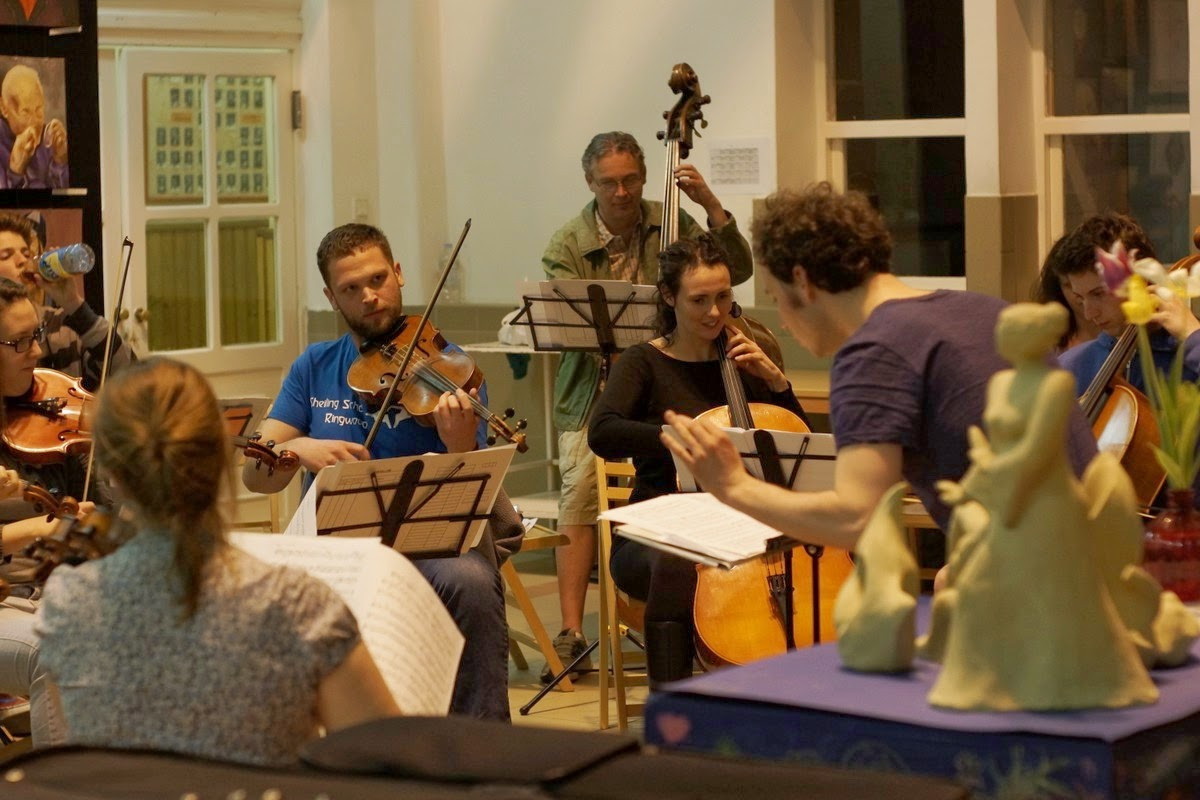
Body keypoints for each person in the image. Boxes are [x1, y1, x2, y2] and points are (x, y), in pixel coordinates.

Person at [661, 183, 1097, 556]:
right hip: (1102, 565)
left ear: (803, 281)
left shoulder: (873, 353)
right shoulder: (984, 308)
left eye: (777, 298)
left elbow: (854, 520)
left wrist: (735, 486)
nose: (785, 324)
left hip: (1048, 592)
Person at [35, 357, 401, 765]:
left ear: (110, 472)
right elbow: (385, 766)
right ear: (219, 460)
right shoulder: (298, 605)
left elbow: (82, 763)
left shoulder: (67, 603)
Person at [243, 223, 522, 721]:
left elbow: (470, 484)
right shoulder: (315, 366)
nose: (369, 297)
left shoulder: (448, 365)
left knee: (472, 582)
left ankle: (483, 738)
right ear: (331, 298)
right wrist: (299, 448)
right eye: (351, 288)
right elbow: (254, 474)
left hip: (428, 546)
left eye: (377, 280)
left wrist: (459, 440)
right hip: (339, 549)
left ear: (398, 273)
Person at [539, 130, 753, 681]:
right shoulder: (568, 243)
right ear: (590, 183)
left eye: (631, 179)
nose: (622, 192)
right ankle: (571, 629)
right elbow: (569, 317)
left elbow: (735, 269)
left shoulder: (671, 221)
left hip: (674, 368)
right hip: (595, 387)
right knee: (580, 490)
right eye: (609, 182)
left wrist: (711, 205)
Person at [588, 233, 808, 684]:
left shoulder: (746, 362)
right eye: (699, 300)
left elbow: (797, 443)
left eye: (723, 297)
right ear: (669, 297)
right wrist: (679, 438)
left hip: (746, 525)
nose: (714, 312)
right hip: (656, 534)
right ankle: (671, 701)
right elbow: (603, 432)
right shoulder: (643, 363)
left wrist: (776, 381)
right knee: (678, 562)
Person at [0, 278, 104, 746]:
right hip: (8, 600)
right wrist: (34, 529)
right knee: (56, 653)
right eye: (19, 342)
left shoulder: (50, 414)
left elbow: (98, 513)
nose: (37, 352)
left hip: (50, 592)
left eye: (36, 335)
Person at [1050, 213, 1200, 397]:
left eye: (1098, 294)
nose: (1089, 313)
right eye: (1080, 298)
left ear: (1142, 280)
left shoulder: (1192, 355)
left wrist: (1193, 335)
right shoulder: (1071, 367)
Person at [0, 212, 135, 390]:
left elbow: (131, 377)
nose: (23, 261)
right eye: (5, 256)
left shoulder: (62, 327)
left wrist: (74, 305)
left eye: (26, 253)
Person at [0, 64, 68, 190]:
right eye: (25, 112)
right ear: (4, 108)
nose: (34, 122)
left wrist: (60, 161)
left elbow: (66, 197)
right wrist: (15, 172)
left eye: (38, 110)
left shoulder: (48, 140)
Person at [1034, 232, 1100, 351]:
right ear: (1058, 288)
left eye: (1097, 292)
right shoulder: (1047, 341)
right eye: (1069, 285)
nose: (1078, 293)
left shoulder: (1121, 334)